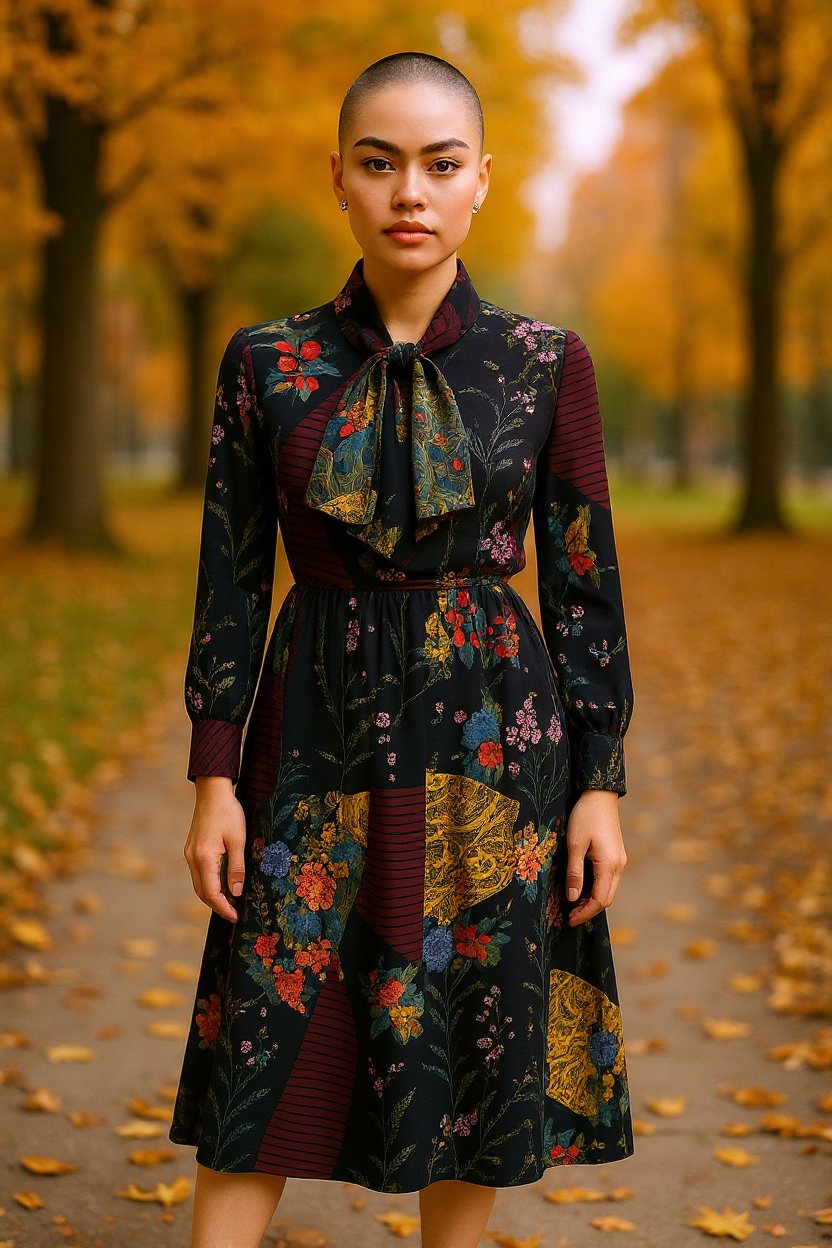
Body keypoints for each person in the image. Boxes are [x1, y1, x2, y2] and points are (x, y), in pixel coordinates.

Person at [169, 50, 635, 1248]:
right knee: (266, 1036)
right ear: (340, 178)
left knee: (471, 1037)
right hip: (310, 729)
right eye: (379, 165)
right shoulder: (266, 363)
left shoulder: (544, 363)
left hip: (492, 738)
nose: (408, 193)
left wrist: (600, 787)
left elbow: (584, 586)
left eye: (438, 165)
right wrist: (213, 776)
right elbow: (230, 574)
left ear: (483, 178)